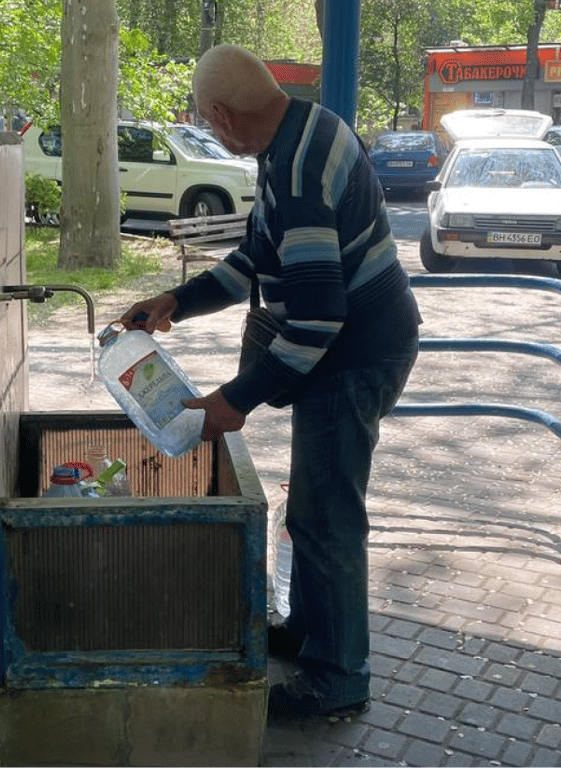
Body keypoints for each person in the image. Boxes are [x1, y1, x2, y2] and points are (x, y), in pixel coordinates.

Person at [117, 43, 421, 720]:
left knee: (328, 519)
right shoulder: (296, 135)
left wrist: (234, 400)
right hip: (343, 347)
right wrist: (181, 298)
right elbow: (260, 253)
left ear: (221, 116)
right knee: (314, 509)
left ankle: (338, 678)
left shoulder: (302, 170)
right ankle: (310, 631)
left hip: (354, 356)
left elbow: (317, 320)